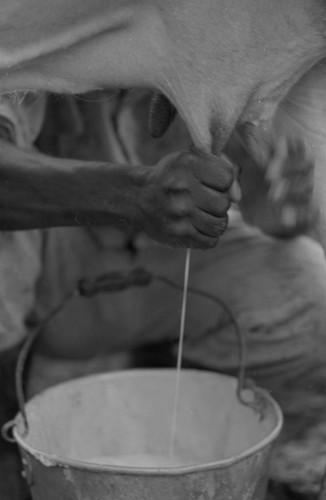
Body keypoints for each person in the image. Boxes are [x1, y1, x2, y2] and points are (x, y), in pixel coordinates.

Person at [1, 90, 326, 500]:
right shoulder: (33, 33)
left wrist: (273, 199)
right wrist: (132, 194)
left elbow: (261, 191)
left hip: (162, 266)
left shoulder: (221, 45)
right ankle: (10, 447)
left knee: (305, 284)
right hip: (52, 267)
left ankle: (174, 404)